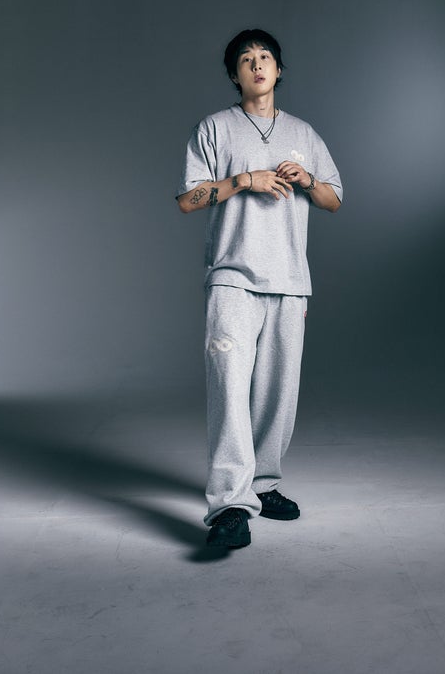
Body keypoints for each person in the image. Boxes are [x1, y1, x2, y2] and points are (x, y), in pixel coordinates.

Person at [176, 28, 343, 549]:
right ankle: (230, 505)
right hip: (232, 278)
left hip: (289, 282)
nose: (256, 64)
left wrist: (307, 179)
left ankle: (264, 485)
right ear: (234, 74)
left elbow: (334, 199)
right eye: (245, 59)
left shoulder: (303, 133)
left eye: (265, 56)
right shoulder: (215, 128)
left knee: (277, 394)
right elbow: (187, 200)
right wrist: (244, 180)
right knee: (230, 391)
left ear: (278, 69)